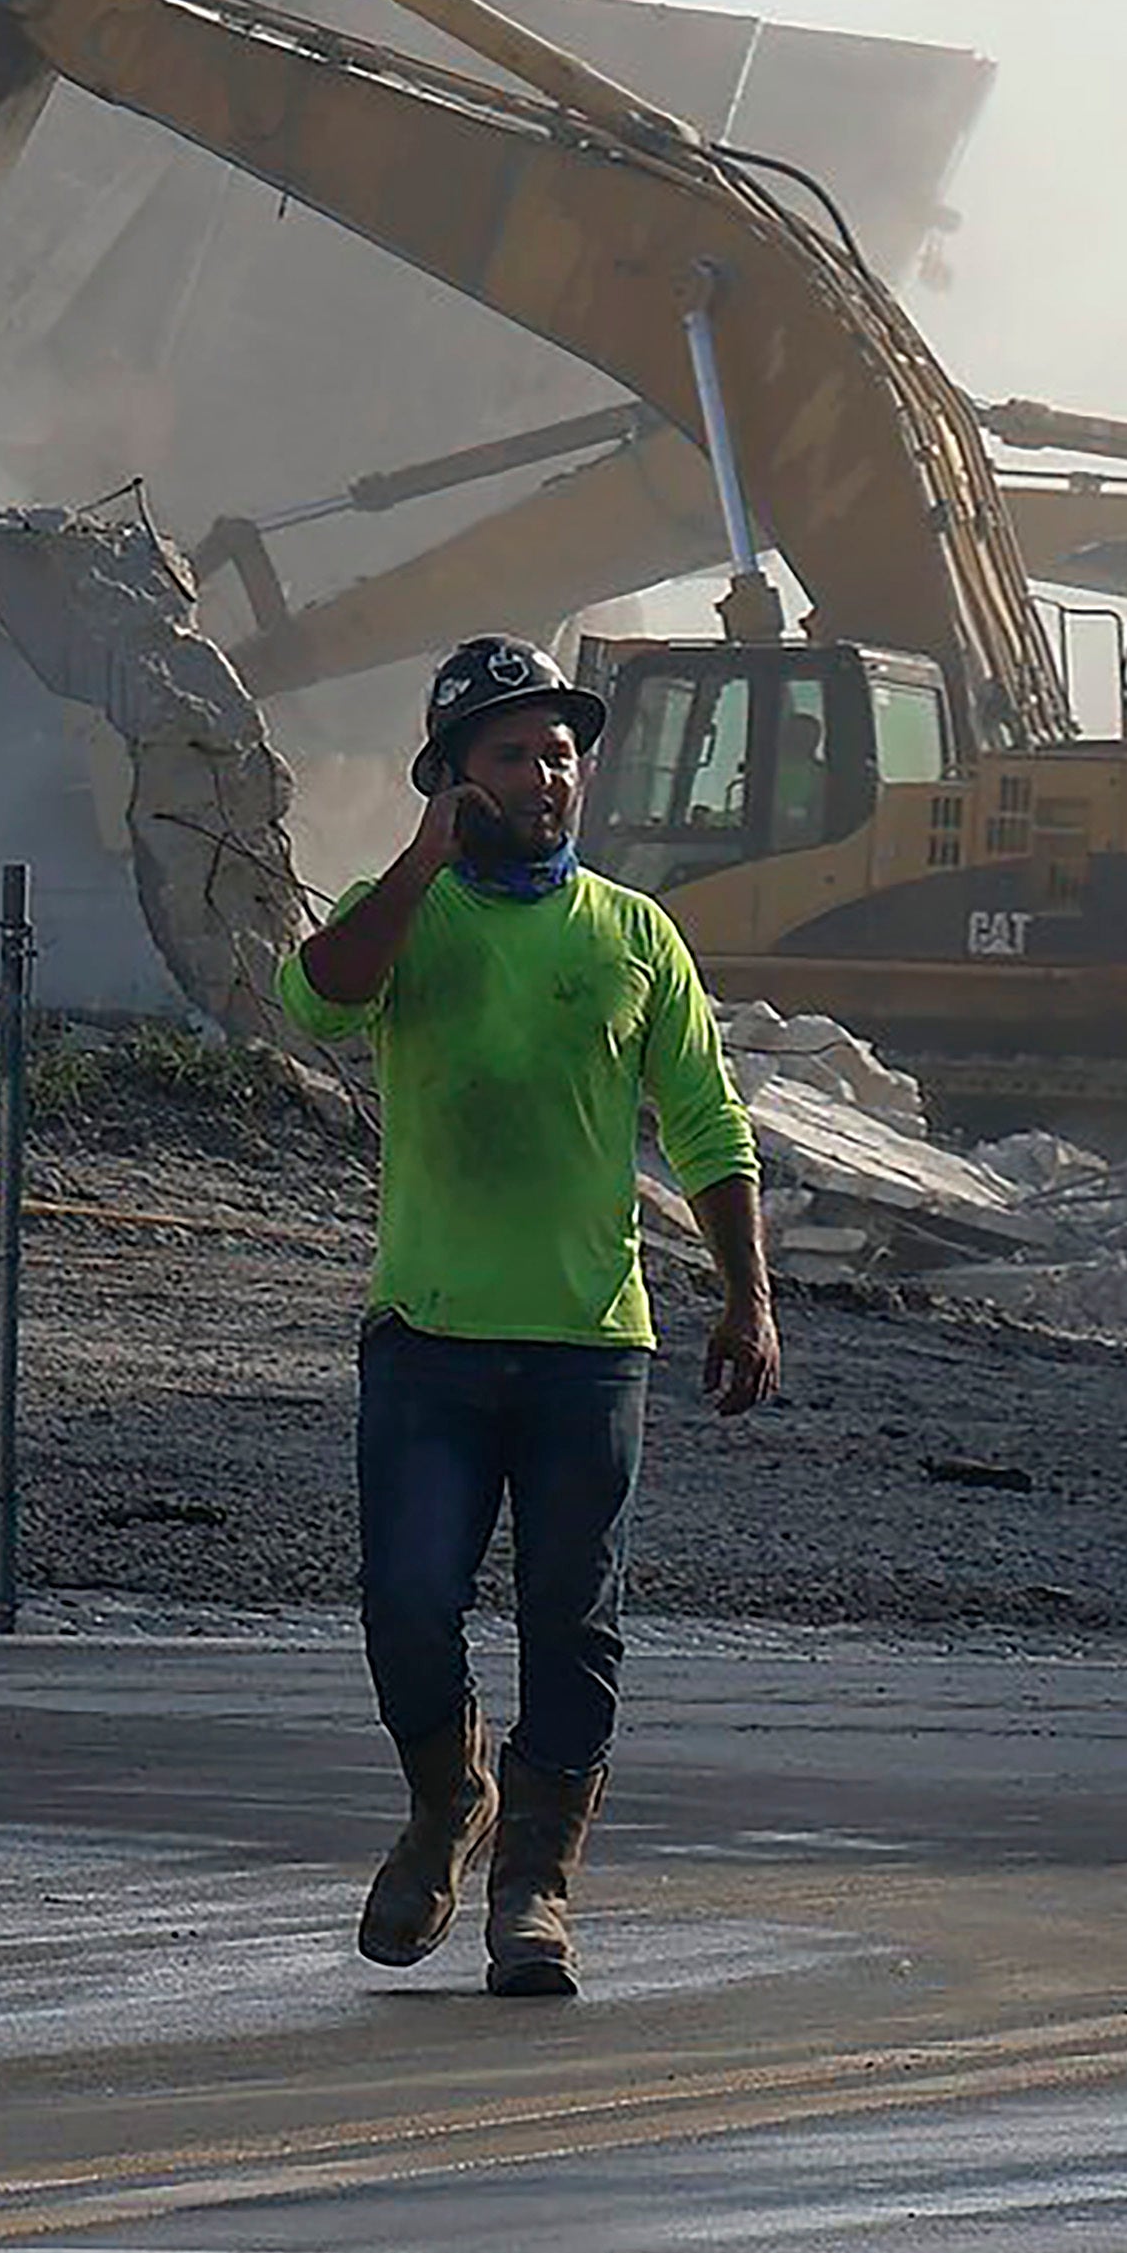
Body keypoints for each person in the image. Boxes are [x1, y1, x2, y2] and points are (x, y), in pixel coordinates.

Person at [277, 634, 770, 1999]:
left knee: (574, 1614)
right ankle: (449, 1800)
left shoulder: (632, 932)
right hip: (428, 1340)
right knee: (407, 1601)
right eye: (515, 752)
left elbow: (710, 1123)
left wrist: (747, 1296)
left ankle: (536, 1881)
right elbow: (314, 999)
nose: (549, 772)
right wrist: (423, 860)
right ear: (453, 777)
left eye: (561, 749)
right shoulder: (404, 910)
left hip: (588, 1347)